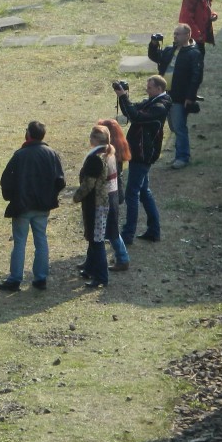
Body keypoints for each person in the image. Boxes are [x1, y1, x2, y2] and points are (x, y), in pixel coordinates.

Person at [0, 120, 66, 291]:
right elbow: (60, 181)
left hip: (22, 206)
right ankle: (40, 278)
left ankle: (15, 279)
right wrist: (51, 196)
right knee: (41, 240)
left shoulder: (20, 155)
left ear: (28, 134)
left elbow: (6, 180)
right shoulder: (51, 153)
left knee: (20, 242)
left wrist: (11, 197)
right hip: (43, 206)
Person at [114, 76, 171, 243]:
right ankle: (154, 231)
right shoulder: (154, 101)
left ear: (159, 89)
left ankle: (128, 234)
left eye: (150, 88)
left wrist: (124, 97)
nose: (147, 90)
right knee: (144, 192)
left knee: (132, 193)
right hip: (140, 152)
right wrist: (122, 95)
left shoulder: (159, 107)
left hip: (142, 154)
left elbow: (137, 116)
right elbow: (130, 112)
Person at [148, 23, 203, 169]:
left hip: (179, 96)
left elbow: (196, 77)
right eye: (174, 34)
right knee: (173, 126)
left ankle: (183, 157)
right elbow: (154, 56)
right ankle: (180, 155)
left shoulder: (193, 54)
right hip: (166, 96)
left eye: (178, 34)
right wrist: (153, 44)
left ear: (187, 35)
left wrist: (190, 97)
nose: (175, 36)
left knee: (179, 127)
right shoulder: (169, 50)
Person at [73, 124, 114, 287]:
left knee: (96, 240)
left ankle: (101, 277)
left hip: (95, 203)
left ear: (96, 139)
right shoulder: (109, 154)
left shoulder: (95, 158)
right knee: (93, 237)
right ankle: (90, 268)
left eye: (92, 136)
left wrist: (77, 196)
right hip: (104, 201)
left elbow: (88, 184)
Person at [96, 118, 131, 272]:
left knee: (111, 230)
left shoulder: (109, 153)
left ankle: (123, 259)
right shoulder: (118, 147)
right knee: (105, 230)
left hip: (109, 195)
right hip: (115, 193)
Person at [178, 0, 218, 64]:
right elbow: (186, 19)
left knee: (199, 64)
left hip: (200, 38)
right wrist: (197, 34)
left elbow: (204, 12)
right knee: (191, 64)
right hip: (191, 38)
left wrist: (213, 15)